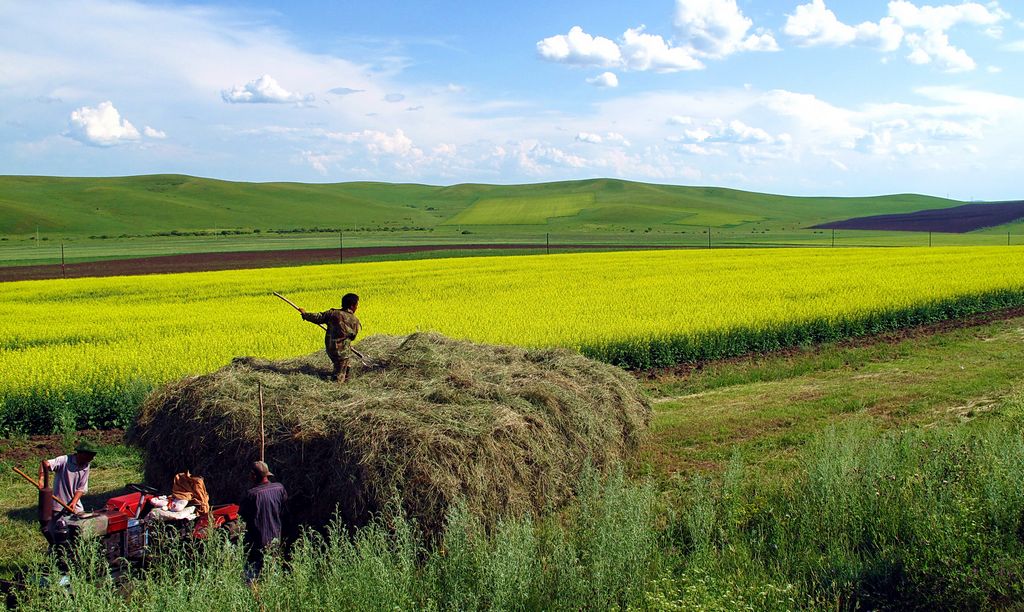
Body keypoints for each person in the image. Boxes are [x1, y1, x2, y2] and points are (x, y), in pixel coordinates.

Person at [38, 440, 97, 542]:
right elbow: (45, 463)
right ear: (82, 454)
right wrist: (41, 479)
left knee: (80, 531)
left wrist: (74, 502)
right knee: (57, 533)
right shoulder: (64, 460)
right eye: (91, 455)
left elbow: (81, 488)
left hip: (75, 506)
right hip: (58, 505)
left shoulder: (86, 465)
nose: (92, 458)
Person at [239, 461, 288, 581]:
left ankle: (255, 597)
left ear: (253, 476)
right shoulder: (279, 488)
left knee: (251, 577)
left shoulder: (251, 495)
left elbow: (242, 517)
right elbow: (284, 511)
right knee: (272, 573)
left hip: (257, 542)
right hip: (275, 538)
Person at [298, 292, 361, 382]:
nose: (357, 307)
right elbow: (353, 336)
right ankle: (337, 389)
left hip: (331, 348)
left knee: (346, 366)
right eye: (356, 305)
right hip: (342, 351)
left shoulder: (332, 313)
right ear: (352, 306)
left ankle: (345, 381)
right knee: (338, 376)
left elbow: (317, 318)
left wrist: (304, 314)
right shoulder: (355, 320)